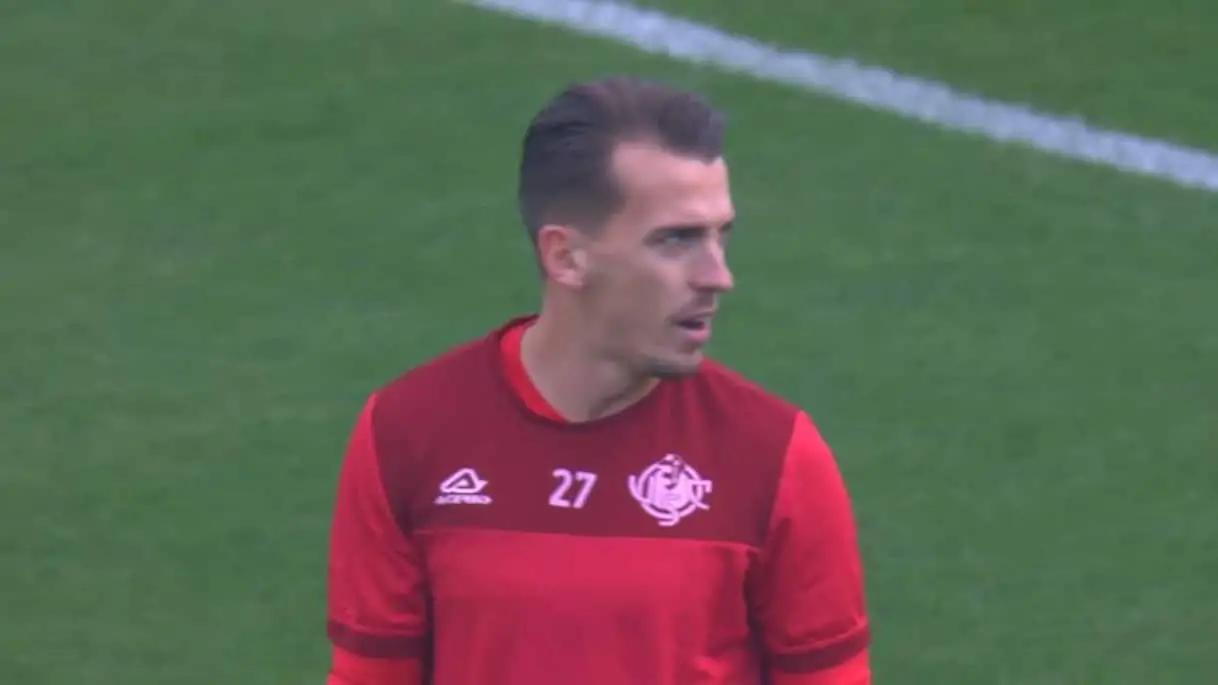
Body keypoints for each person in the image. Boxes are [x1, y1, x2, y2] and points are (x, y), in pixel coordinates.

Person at [325, 76, 872, 685]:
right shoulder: (408, 433)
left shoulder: (773, 454)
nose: (718, 276)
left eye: (721, 236)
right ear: (566, 257)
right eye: (676, 240)